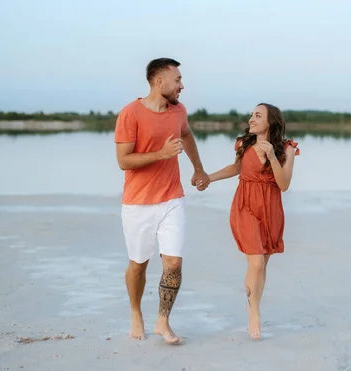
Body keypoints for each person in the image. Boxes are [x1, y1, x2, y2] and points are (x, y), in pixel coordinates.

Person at [114, 57, 210, 344]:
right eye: (177, 80)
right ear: (159, 81)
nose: (182, 85)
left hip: (172, 199)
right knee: (138, 264)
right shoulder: (130, 114)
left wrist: (198, 168)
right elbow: (123, 161)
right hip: (138, 203)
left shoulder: (178, 111)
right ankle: (135, 312)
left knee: (173, 262)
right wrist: (161, 154)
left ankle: (163, 321)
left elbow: (187, 134)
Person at [204, 103, 300, 339]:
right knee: (256, 262)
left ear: (271, 121)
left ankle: (252, 303)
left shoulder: (286, 149)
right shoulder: (243, 144)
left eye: (258, 115)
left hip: (270, 208)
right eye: (251, 115)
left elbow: (284, 184)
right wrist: (209, 178)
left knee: (262, 265)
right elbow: (236, 168)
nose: (252, 119)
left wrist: (271, 156)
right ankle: (254, 312)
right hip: (245, 204)